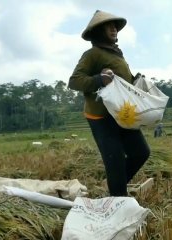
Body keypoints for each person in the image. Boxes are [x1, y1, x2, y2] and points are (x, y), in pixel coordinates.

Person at [68, 10, 150, 196]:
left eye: (115, 26)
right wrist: (99, 79)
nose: (114, 29)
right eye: (109, 26)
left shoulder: (116, 54)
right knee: (115, 160)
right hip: (101, 117)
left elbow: (120, 81)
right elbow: (74, 81)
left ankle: (115, 185)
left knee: (141, 152)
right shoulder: (92, 54)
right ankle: (118, 197)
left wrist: (135, 80)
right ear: (99, 31)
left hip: (122, 114)